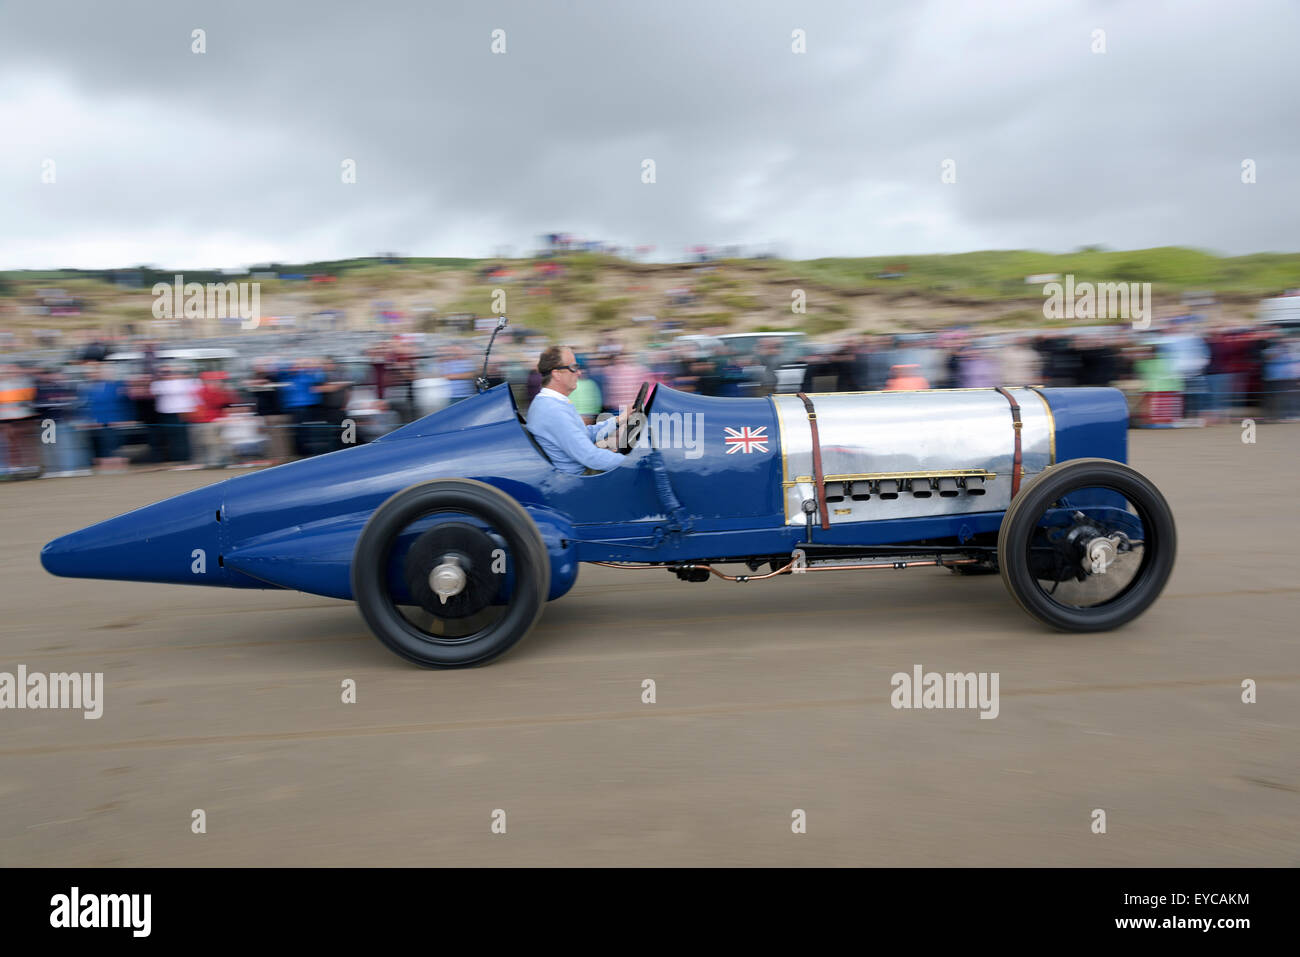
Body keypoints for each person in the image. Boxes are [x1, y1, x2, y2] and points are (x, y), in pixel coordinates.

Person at [526, 346, 628, 475]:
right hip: (578, 479)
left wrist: (619, 420)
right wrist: (634, 463)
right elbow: (590, 456)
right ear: (556, 374)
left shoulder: (552, 403)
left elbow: (583, 434)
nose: (579, 373)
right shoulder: (553, 410)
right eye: (573, 368)